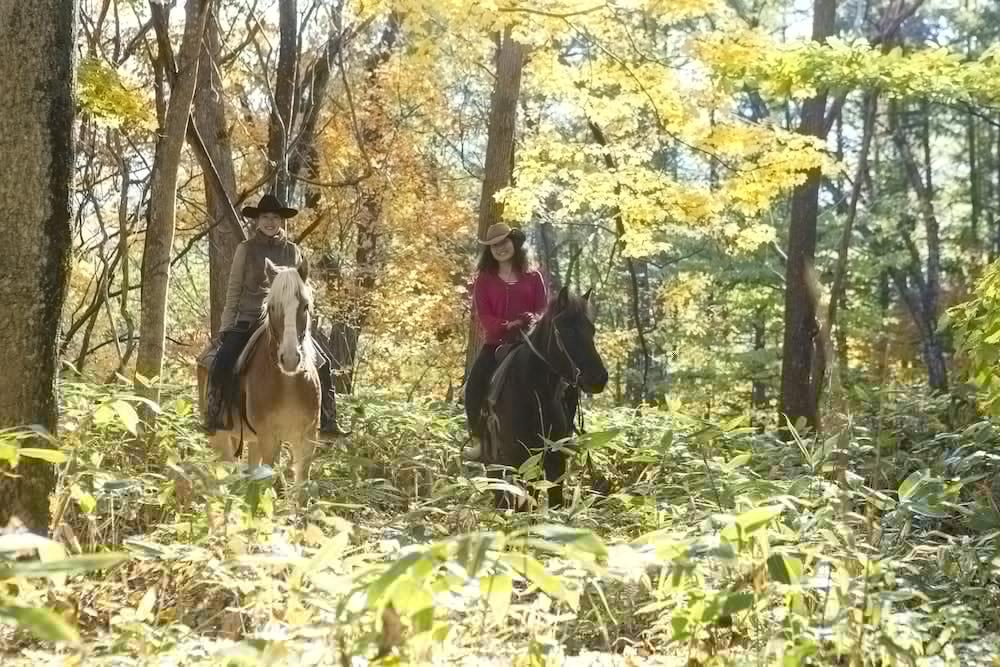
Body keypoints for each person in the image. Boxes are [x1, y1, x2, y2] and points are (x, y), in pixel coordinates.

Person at [203, 192, 345, 436]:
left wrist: (304, 326)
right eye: (265, 217)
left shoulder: (293, 252)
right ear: (257, 221)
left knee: (324, 364)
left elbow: (303, 295)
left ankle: (328, 419)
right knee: (223, 360)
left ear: (282, 221)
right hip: (249, 319)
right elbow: (234, 291)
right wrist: (226, 327)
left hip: (286, 322)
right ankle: (216, 412)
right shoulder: (245, 250)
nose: (270, 222)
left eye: (275, 217)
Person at [463, 222, 548, 461]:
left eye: (504, 243)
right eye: (494, 246)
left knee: (562, 379)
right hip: (497, 344)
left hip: (530, 342)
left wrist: (533, 319)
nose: (500, 248)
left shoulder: (533, 276)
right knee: (473, 387)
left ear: (514, 243)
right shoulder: (485, 279)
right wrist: (505, 325)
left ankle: (564, 433)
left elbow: (543, 309)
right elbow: (484, 315)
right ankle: (479, 441)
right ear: (489, 251)